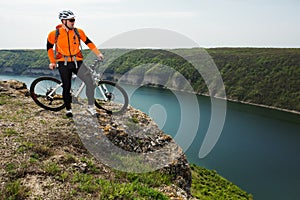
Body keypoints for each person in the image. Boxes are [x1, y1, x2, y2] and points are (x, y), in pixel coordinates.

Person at [47, 10, 104, 117]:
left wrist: (98, 53)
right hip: (63, 63)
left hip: (77, 62)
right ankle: (68, 109)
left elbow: (88, 42)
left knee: (90, 82)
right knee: (67, 86)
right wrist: (52, 62)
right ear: (63, 21)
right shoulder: (54, 34)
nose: (73, 22)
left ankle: (91, 107)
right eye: (71, 20)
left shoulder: (78, 32)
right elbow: (49, 48)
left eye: (74, 20)